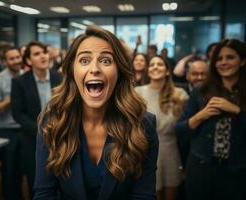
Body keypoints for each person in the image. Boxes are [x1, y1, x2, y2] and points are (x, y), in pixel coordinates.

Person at [34, 25, 159, 200]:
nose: (95, 69)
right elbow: (44, 193)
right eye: (84, 60)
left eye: (106, 61)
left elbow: (143, 195)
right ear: (71, 70)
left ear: (119, 71)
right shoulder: (52, 121)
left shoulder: (143, 124)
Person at [175, 39, 246, 200]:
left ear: (242, 61)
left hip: (237, 172)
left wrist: (236, 110)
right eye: (219, 59)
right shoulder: (201, 90)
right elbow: (179, 130)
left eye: (230, 57)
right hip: (201, 168)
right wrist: (201, 115)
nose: (224, 62)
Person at [11, 41, 62, 196]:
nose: (43, 56)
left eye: (44, 52)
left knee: (61, 178)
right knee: (38, 180)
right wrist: (41, 131)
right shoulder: (19, 82)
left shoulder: (59, 77)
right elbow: (18, 114)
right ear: (28, 60)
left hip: (61, 137)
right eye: (37, 54)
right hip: (32, 139)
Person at [135, 55, 188, 200]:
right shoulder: (137, 93)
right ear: (148, 70)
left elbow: (185, 128)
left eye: (160, 64)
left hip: (171, 152)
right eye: (152, 65)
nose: (155, 67)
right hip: (145, 153)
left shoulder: (180, 94)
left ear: (167, 71)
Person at [0, 47, 24, 200]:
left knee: (23, 171)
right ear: (4, 62)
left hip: (25, 130)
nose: (16, 61)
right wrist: (9, 101)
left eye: (18, 57)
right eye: (12, 58)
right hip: (7, 132)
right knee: (9, 173)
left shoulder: (26, 76)